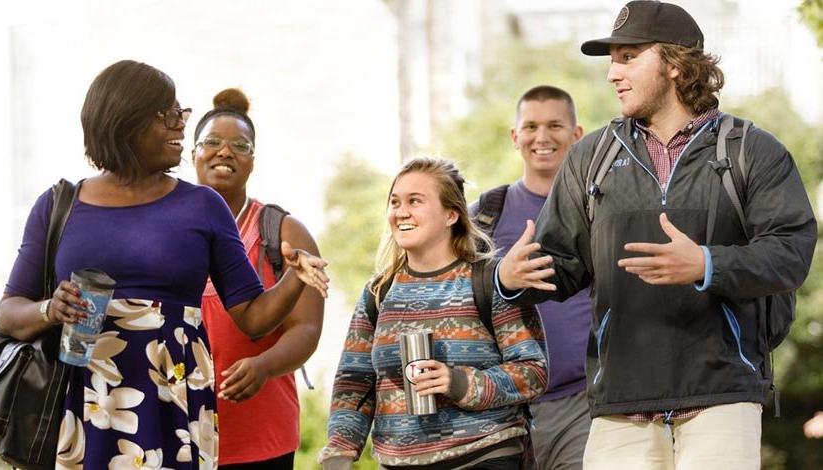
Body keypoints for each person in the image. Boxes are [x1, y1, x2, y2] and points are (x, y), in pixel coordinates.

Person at [495, 2, 817, 469]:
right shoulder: (590, 158)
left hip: (722, 399)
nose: (612, 73)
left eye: (628, 57)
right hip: (619, 406)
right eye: (612, 59)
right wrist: (509, 277)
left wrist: (707, 264)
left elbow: (791, 251)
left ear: (673, 63)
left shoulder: (752, 150)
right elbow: (557, 266)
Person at [0, 60, 328, 469]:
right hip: (82, 402)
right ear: (126, 121)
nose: (180, 125)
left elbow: (254, 318)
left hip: (174, 403)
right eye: (168, 115)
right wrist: (51, 309)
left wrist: (295, 277)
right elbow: (10, 313)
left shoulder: (203, 206)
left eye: (180, 114)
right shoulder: (58, 205)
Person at [319, 157, 549, 469]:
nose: (401, 212)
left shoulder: (490, 280)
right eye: (395, 202)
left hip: (484, 454)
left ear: (451, 214)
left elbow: (532, 372)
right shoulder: (378, 292)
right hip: (399, 461)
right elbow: (354, 381)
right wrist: (340, 450)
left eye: (415, 201)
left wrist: (458, 382)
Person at [193, 88, 324, 469]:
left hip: (260, 435)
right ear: (193, 154)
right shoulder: (167, 229)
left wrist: (263, 366)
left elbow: (307, 329)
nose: (225, 151)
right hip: (178, 428)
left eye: (240, 145)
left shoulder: (282, 232)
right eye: (212, 142)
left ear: (252, 161)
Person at [470, 85, 589, 470]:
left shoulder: (601, 209)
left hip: (584, 405)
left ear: (576, 135)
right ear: (514, 136)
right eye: (531, 126)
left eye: (555, 125)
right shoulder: (484, 215)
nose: (542, 137)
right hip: (505, 409)